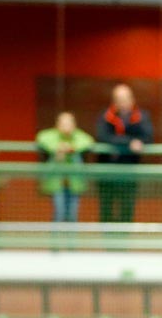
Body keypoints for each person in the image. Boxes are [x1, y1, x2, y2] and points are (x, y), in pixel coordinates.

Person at [96, 84, 153, 223]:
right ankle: (108, 242)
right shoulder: (106, 116)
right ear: (114, 101)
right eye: (119, 99)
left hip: (130, 170)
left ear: (132, 100)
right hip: (107, 170)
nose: (122, 102)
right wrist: (129, 142)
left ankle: (124, 242)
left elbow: (147, 136)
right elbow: (103, 136)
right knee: (106, 207)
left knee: (127, 207)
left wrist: (135, 141)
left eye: (125, 99)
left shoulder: (141, 116)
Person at [34, 112, 95, 223]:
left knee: (73, 214)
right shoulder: (50, 135)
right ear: (57, 124)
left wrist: (71, 148)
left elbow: (88, 141)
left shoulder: (78, 136)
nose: (66, 126)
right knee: (59, 212)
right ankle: (56, 239)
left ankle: (72, 240)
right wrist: (58, 148)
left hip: (75, 183)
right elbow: (41, 138)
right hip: (57, 182)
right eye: (63, 123)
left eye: (69, 123)